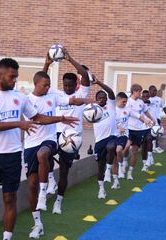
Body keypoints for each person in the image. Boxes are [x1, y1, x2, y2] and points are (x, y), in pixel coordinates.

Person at [0, 59, 79, 240]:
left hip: (14, 155)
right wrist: (19, 123)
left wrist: (61, 118)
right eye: (11, 76)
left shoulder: (20, 98)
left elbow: (38, 117)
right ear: (0, 74)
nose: (15, 80)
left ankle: (7, 238)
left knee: (10, 198)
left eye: (16, 76)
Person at [24, 71, 92, 238]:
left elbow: (73, 100)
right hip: (30, 144)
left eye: (49, 85)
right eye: (45, 85)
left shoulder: (52, 97)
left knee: (44, 155)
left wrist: (88, 101)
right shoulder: (27, 100)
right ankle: (38, 223)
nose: (48, 88)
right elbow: (37, 119)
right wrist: (60, 118)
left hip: (50, 139)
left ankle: (45, 192)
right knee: (31, 185)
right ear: (36, 84)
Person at [42, 49, 90, 214]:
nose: (68, 88)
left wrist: (70, 58)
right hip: (55, 133)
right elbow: (40, 81)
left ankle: (58, 201)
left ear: (75, 84)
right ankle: (50, 180)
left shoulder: (82, 93)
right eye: (66, 85)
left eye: (71, 85)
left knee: (64, 170)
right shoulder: (56, 93)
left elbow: (85, 75)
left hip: (72, 138)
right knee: (45, 154)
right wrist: (47, 64)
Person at [91, 76, 117, 199]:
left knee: (111, 147)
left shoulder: (111, 106)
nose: (102, 100)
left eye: (103, 98)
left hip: (111, 136)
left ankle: (109, 170)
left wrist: (98, 82)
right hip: (99, 141)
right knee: (100, 167)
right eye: (99, 98)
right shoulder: (92, 109)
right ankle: (101, 189)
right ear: (96, 100)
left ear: (107, 99)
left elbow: (111, 92)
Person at [127, 84, 155, 180]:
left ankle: (130, 172)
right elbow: (132, 113)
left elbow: (145, 111)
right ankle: (122, 163)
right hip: (129, 129)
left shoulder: (141, 102)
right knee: (125, 148)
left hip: (138, 130)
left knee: (134, 151)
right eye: (139, 91)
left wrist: (152, 119)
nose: (140, 93)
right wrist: (144, 120)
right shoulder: (128, 101)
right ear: (134, 91)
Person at [148, 85, 166, 153]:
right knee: (151, 134)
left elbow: (164, 108)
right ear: (149, 91)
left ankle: (156, 147)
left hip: (157, 119)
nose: (155, 91)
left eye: (155, 90)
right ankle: (153, 148)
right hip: (149, 120)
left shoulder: (159, 99)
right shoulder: (147, 100)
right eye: (153, 90)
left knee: (157, 133)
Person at [114, 92, 131, 183]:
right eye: (123, 102)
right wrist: (118, 127)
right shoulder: (113, 110)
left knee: (119, 150)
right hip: (113, 135)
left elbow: (137, 115)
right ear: (118, 100)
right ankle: (109, 171)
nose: (125, 103)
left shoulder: (127, 110)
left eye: (126, 102)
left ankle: (121, 167)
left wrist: (145, 120)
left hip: (123, 135)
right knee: (112, 153)